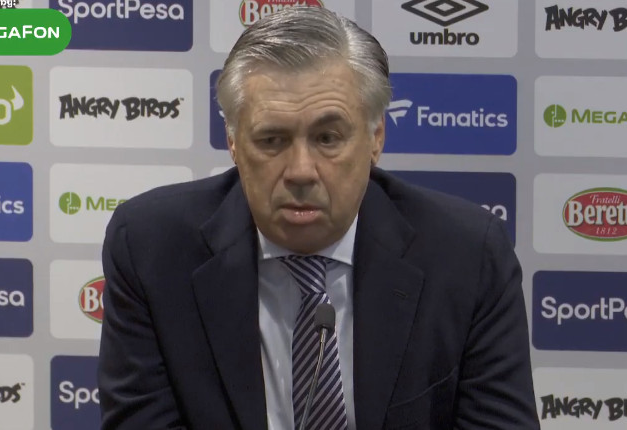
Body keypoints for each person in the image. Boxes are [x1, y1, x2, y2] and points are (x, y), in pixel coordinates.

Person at [98, 7, 539, 430]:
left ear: (375, 138)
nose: (301, 171)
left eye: (328, 138)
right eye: (272, 140)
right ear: (233, 143)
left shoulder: (467, 255)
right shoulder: (151, 249)